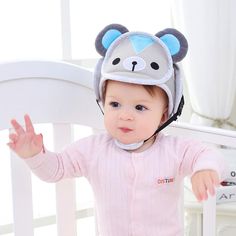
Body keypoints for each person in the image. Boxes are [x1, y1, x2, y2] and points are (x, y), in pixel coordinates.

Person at [8, 24, 226, 236]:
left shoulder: (174, 149)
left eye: (140, 107)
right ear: (103, 102)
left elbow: (208, 154)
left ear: (163, 114)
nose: (125, 115)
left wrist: (204, 169)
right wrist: (34, 155)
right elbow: (56, 169)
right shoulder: (93, 150)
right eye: (114, 104)